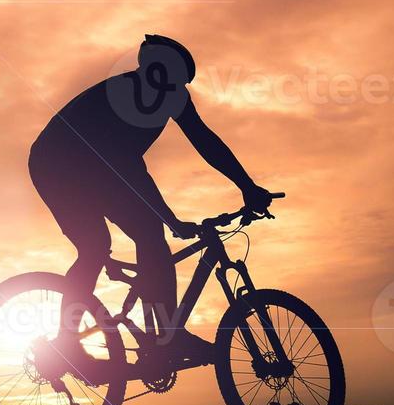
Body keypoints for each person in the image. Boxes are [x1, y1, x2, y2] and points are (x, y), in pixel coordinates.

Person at [29, 35, 278, 364]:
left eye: (174, 85)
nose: (166, 92)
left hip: (99, 170)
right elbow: (126, 168)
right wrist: (170, 218)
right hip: (56, 166)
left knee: (150, 236)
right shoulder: (117, 95)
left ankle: (163, 339)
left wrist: (247, 185)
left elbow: (205, 141)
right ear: (146, 71)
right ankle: (67, 343)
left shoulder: (175, 98)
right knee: (96, 246)